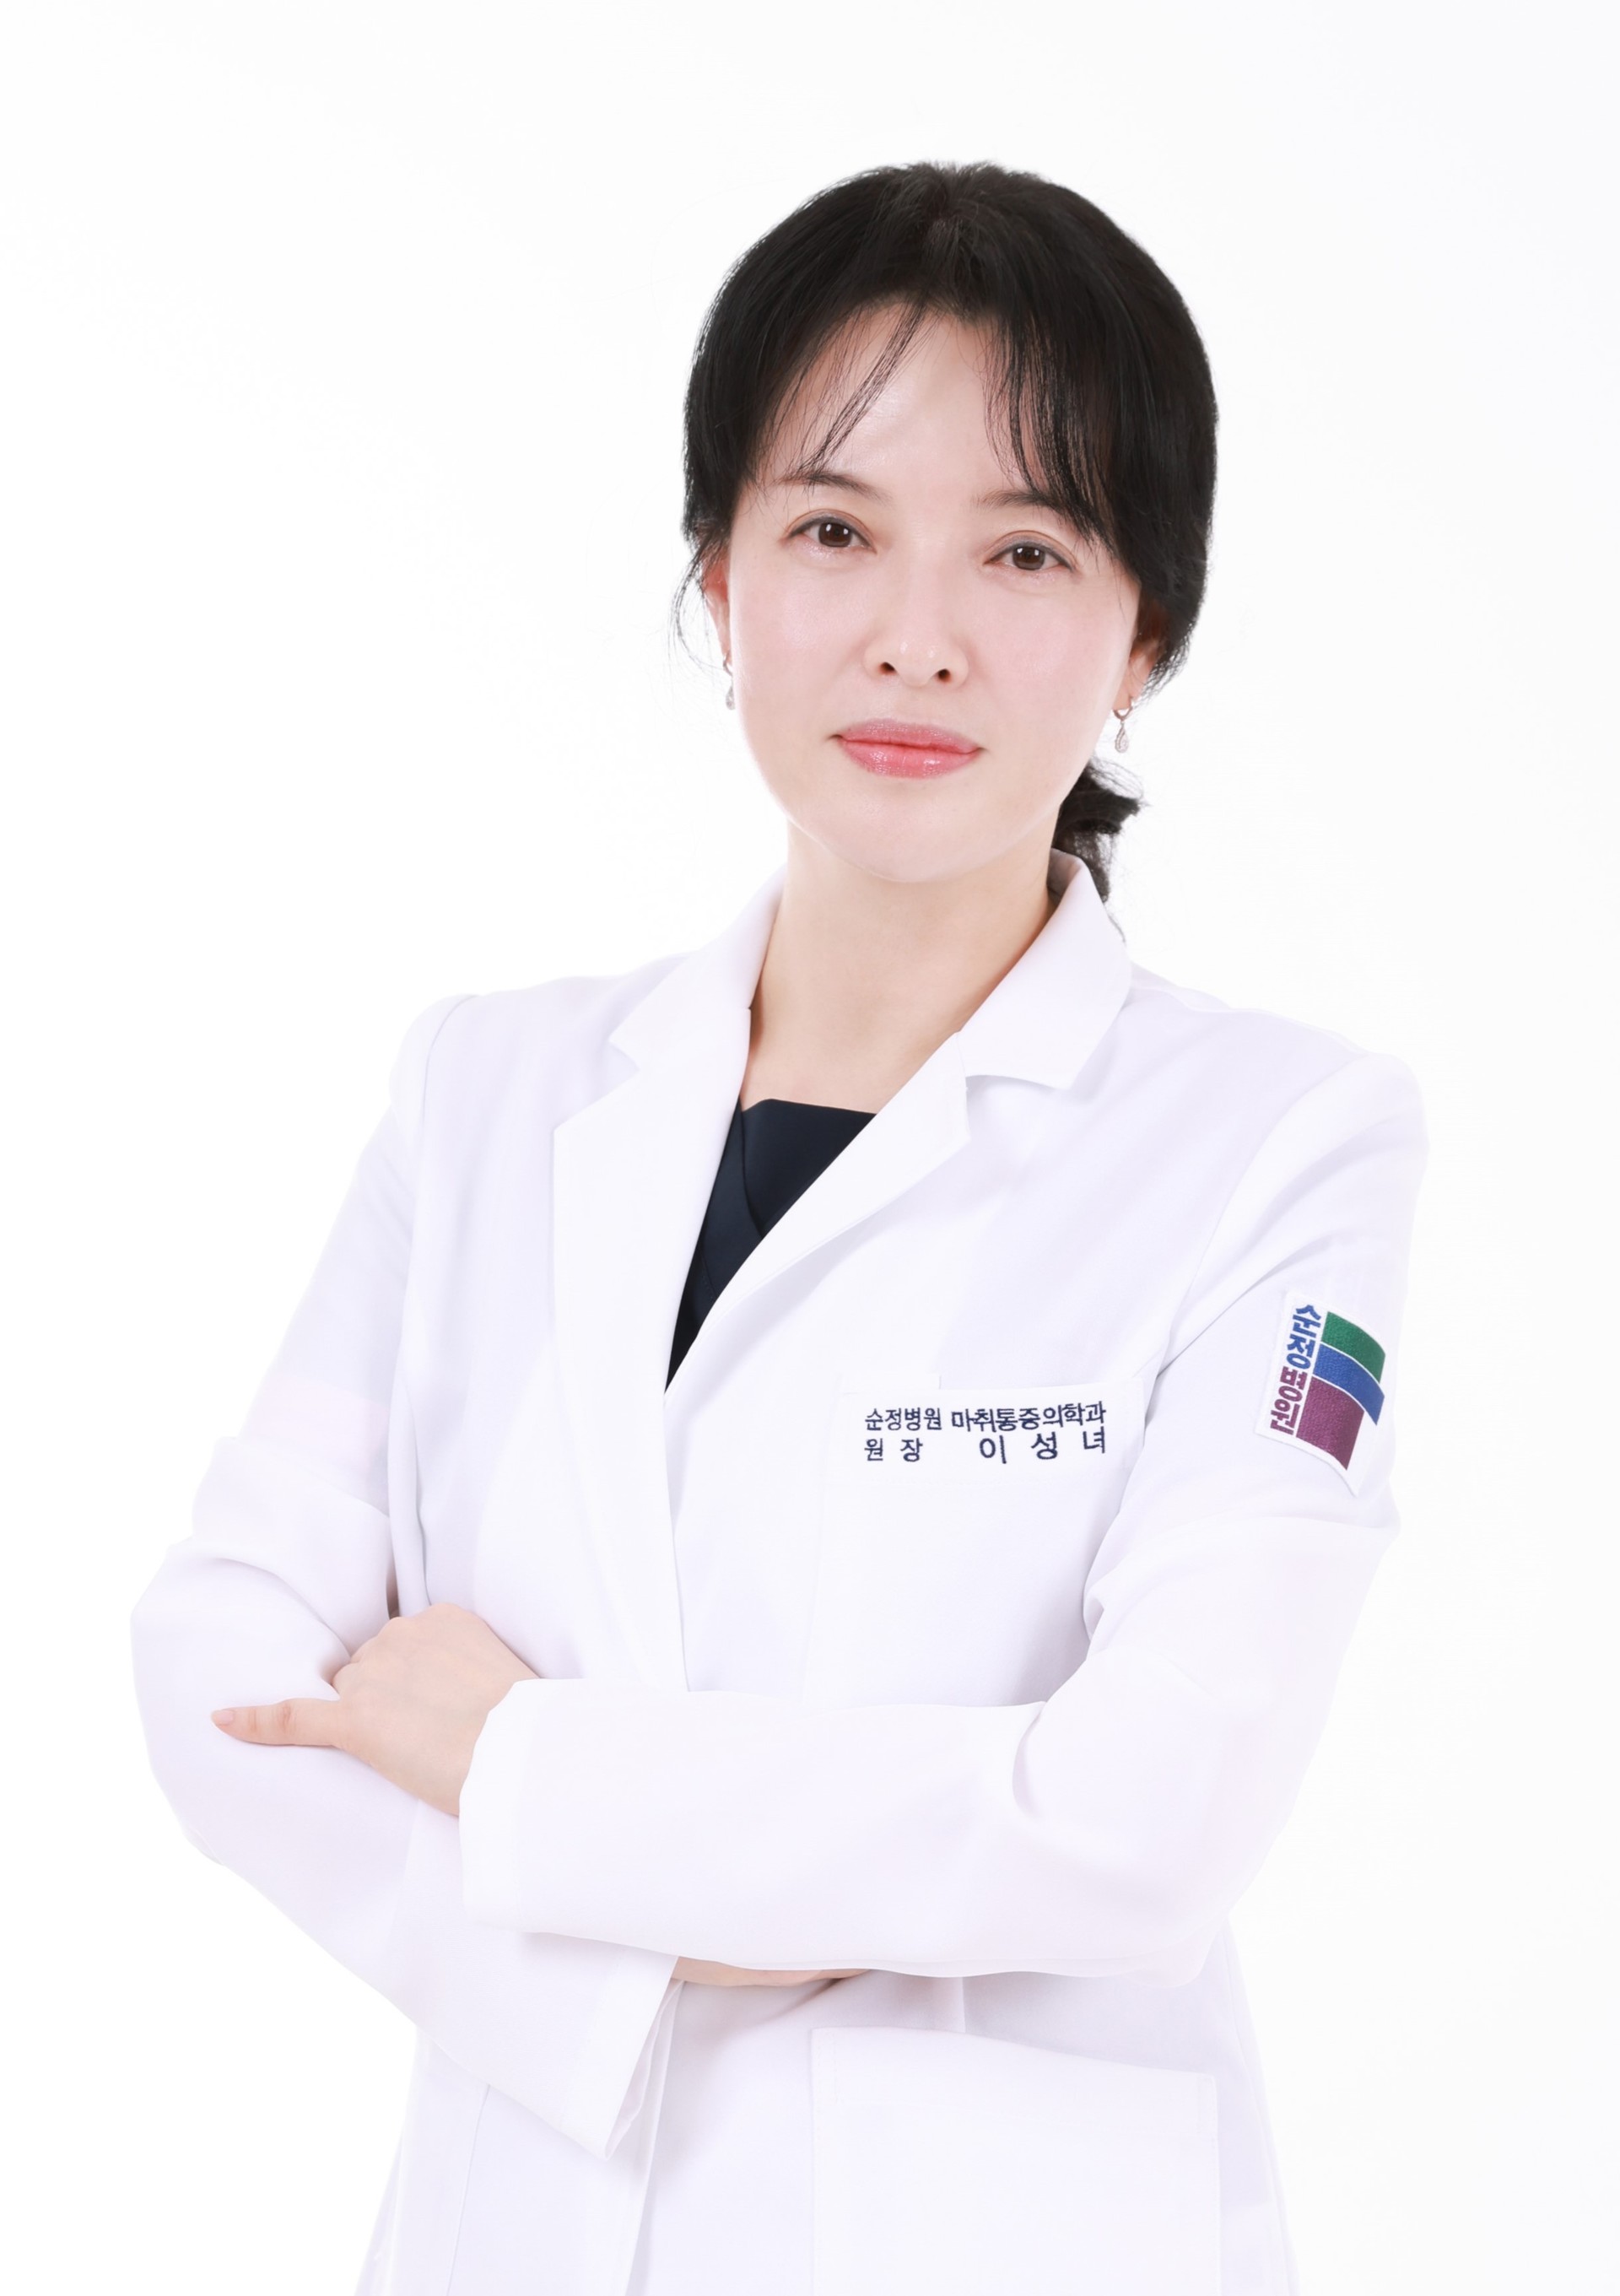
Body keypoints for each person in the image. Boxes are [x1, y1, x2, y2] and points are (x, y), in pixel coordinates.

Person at [131, 161, 1425, 2296]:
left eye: (1026, 547)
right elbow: (227, 1667)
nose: (917, 632)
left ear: (1148, 633)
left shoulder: (1278, 1141)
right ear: (720, 574)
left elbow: (1143, 1825)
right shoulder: (491, 1087)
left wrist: (520, 1768)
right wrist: (667, 1964)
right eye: (835, 528)